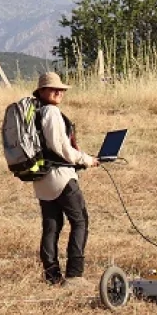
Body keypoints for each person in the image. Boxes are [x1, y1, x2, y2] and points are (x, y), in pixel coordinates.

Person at [32, 72, 99, 285]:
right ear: (42, 91)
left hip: (42, 178)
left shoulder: (35, 113)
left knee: (52, 225)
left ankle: (52, 276)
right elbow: (61, 147)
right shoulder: (51, 112)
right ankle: (74, 275)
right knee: (80, 221)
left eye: (61, 89)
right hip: (61, 176)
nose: (58, 92)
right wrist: (85, 159)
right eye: (53, 88)